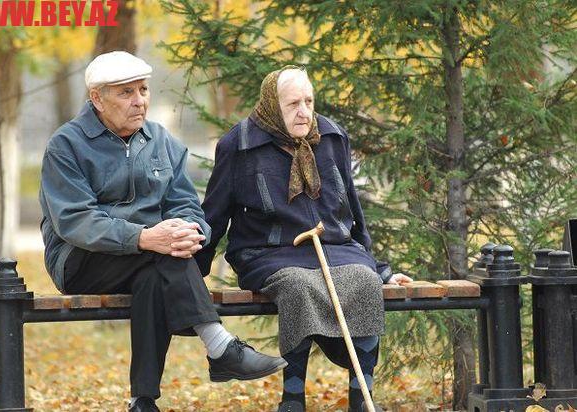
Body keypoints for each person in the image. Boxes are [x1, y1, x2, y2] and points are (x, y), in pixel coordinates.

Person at [38, 51, 287, 412]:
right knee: (162, 254)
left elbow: (186, 205)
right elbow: (76, 221)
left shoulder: (160, 140)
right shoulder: (66, 145)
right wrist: (144, 237)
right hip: (80, 260)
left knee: (156, 272)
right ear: (97, 99)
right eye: (126, 92)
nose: (139, 101)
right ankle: (220, 346)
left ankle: (143, 400)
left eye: (143, 90)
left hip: (150, 259)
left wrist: (190, 231)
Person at [195, 66, 412, 412]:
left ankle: (362, 397)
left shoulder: (332, 137)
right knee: (298, 285)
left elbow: (352, 208)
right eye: (293, 104)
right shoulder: (239, 144)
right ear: (272, 104)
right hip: (267, 252)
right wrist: (194, 274)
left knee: (364, 279)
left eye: (309, 102)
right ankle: (293, 399)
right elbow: (215, 213)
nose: (304, 112)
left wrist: (379, 268)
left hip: (336, 248)